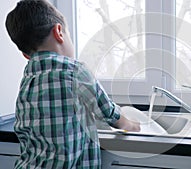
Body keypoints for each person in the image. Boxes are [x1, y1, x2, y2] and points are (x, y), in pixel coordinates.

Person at [5, 0, 140, 168]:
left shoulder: (27, 80)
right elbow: (108, 113)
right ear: (59, 32)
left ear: (26, 55)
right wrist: (131, 124)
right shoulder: (75, 71)